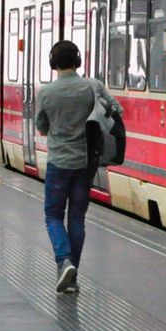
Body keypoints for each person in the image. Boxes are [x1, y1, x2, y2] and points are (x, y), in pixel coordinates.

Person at [35, 40, 121, 294]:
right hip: (85, 164)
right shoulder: (91, 87)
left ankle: (64, 262)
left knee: (52, 215)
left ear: (53, 63)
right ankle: (71, 276)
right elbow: (115, 110)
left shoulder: (47, 93)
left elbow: (41, 126)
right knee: (77, 219)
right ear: (78, 61)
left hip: (59, 163)